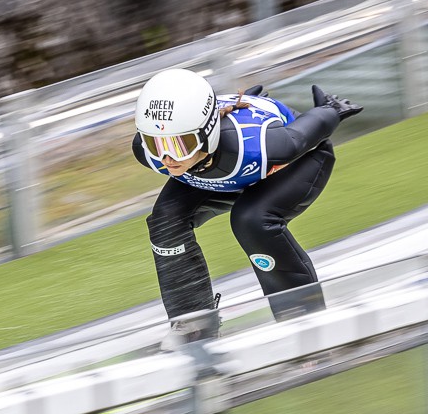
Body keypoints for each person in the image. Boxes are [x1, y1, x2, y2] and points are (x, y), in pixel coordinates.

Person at [131, 68, 362, 345]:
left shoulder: (255, 145)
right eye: (156, 145)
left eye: (181, 145)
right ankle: (194, 324)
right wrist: (174, 149)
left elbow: (298, 139)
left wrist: (330, 109)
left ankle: (303, 318)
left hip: (298, 158)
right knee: (165, 222)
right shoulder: (149, 153)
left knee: (251, 220)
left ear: (207, 133)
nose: (168, 158)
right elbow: (170, 148)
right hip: (215, 170)